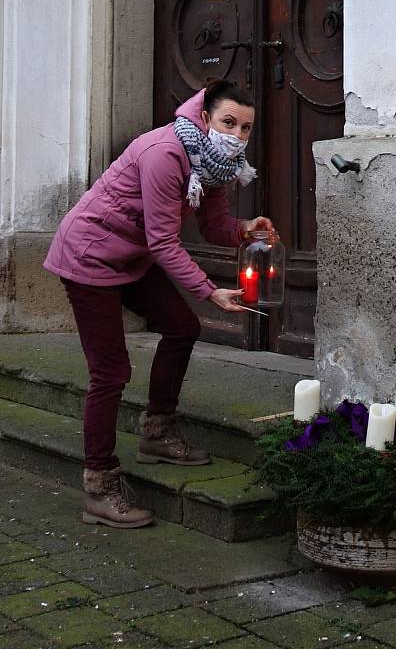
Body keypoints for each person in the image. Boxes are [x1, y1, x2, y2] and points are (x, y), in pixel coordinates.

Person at [43, 79, 273, 528]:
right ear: (204, 118)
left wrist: (245, 229)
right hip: (89, 255)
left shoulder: (215, 160)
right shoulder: (165, 152)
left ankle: (158, 432)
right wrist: (209, 290)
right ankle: (100, 484)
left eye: (246, 128)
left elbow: (213, 225)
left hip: (130, 255)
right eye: (229, 122)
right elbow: (164, 242)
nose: (238, 135)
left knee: (182, 327)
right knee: (110, 372)